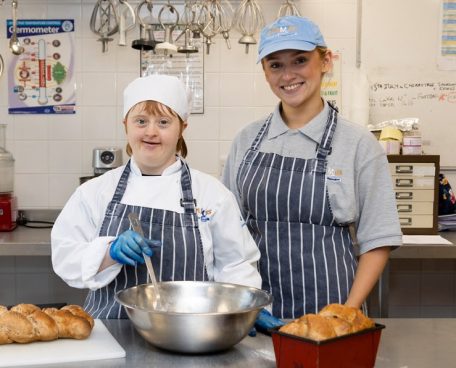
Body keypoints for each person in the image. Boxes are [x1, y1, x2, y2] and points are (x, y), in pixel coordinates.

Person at [222, 16, 402, 321]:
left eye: (300, 60)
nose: (288, 75)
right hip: (255, 312)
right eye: (275, 65)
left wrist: (347, 311)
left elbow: (378, 239)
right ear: (265, 72)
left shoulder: (358, 144)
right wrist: (240, 306)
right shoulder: (246, 139)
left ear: (326, 61)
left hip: (332, 311)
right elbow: (225, 230)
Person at [51, 74, 262, 319]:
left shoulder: (212, 194)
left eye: (163, 122)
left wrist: (245, 310)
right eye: (140, 121)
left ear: (182, 128)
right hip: (110, 333)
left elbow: (236, 265)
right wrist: (110, 252)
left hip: (191, 334)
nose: (151, 132)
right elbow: (65, 258)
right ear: (125, 125)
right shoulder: (95, 192)